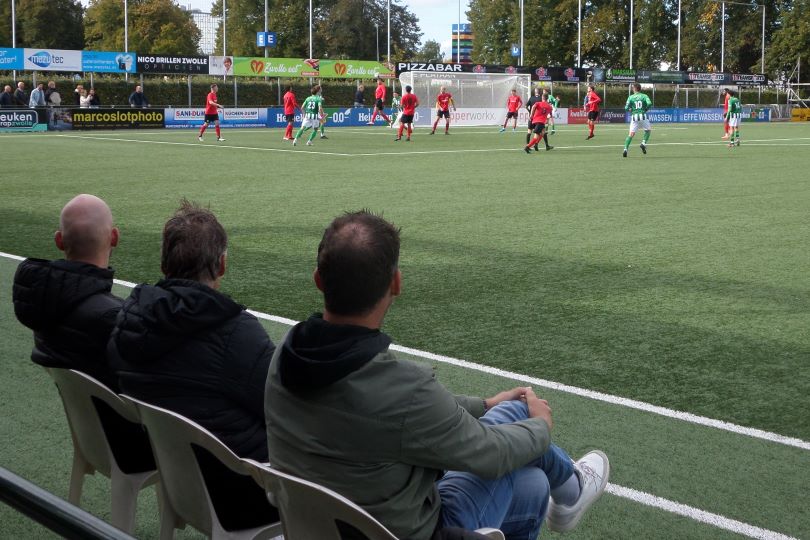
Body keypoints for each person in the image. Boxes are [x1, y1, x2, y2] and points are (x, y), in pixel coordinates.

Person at [265, 210, 610, 540]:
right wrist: (541, 427)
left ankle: (568, 489)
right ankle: (572, 488)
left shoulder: (284, 356)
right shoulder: (403, 389)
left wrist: (485, 403)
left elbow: (408, 413)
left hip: (317, 525)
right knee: (519, 414)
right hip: (409, 530)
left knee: (533, 485)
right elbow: (490, 455)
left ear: (318, 280)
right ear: (396, 283)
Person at [108, 199, 275, 462]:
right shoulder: (239, 332)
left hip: (165, 462)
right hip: (233, 480)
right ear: (221, 265)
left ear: (164, 265)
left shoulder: (129, 319)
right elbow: (277, 406)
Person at [12, 194, 123, 390]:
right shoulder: (116, 318)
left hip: (82, 413)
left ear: (59, 241)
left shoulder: (40, 301)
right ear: (114, 237)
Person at [623, 83, 653, 158]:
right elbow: (649, 103)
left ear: (634, 89)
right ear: (640, 89)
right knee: (648, 130)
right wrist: (645, 109)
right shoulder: (644, 96)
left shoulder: (630, 97)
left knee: (631, 134)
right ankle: (643, 143)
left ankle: (625, 149)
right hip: (642, 115)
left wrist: (631, 110)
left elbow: (626, 108)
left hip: (634, 117)